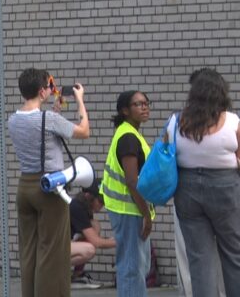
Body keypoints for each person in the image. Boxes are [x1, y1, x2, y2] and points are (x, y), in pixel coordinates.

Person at [8, 68, 90, 297]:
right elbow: (84, 131)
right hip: (50, 188)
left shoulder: (13, 120)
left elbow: (39, 132)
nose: (51, 90)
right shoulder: (49, 119)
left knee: (29, 251)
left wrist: (56, 108)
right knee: (52, 252)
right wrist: (80, 101)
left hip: (25, 187)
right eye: (49, 86)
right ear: (42, 91)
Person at [169, 68, 240, 296]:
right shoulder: (232, 121)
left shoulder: (176, 121)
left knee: (200, 259)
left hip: (187, 190)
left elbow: (167, 154)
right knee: (234, 253)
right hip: (225, 188)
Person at [101, 90, 154, 297]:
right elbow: (132, 181)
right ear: (125, 110)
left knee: (137, 267)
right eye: (138, 104)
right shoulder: (128, 138)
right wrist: (146, 215)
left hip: (129, 209)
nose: (144, 107)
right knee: (132, 269)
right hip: (129, 211)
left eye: (146, 103)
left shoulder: (130, 133)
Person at [70, 179, 116, 289]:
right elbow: (96, 242)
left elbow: (92, 237)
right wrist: (120, 241)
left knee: (95, 225)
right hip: (52, 249)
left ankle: (77, 276)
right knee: (89, 250)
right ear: (89, 197)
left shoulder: (85, 208)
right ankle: (55, 272)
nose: (102, 205)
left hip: (62, 245)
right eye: (100, 201)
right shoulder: (77, 207)